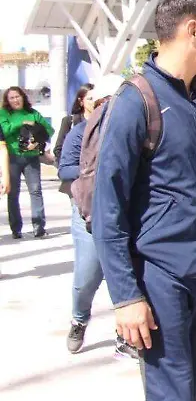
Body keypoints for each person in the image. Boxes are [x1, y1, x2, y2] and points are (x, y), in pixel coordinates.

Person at [92, 0, 196, 401]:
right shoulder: (136, 100)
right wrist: (126, 297)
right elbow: (107, 206)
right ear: (193, 30)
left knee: (194, 385)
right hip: (162, 275)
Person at [57, 77, 140, 359]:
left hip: (127, 212)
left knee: (131, 275)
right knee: (87, 276)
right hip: (89, 212)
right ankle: (79, 319)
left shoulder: (134, 129)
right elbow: (65, 169)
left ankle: (125, 336)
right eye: (106, 101)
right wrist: (100, 170)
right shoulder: (80, 133)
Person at [2, 85, 54, 238]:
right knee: (13, 193)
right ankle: (16, 228)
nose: (15, 100)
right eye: (11, 98)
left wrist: (37, 141)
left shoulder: (33, 113)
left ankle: (39, 227)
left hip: (31, 156)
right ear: (7, 100)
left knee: (36, 191)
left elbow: (49, 130)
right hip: (12, 156)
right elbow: (5, 130)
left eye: (17, 96)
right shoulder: (3, 113)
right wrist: (23, 123)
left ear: (23, 97)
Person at [54, 83, 93, 164]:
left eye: (96, 99)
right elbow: (58, 149)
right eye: (90, 99)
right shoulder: (69, 121)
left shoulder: (105, 121)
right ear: (81, 101)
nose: (94, 102)